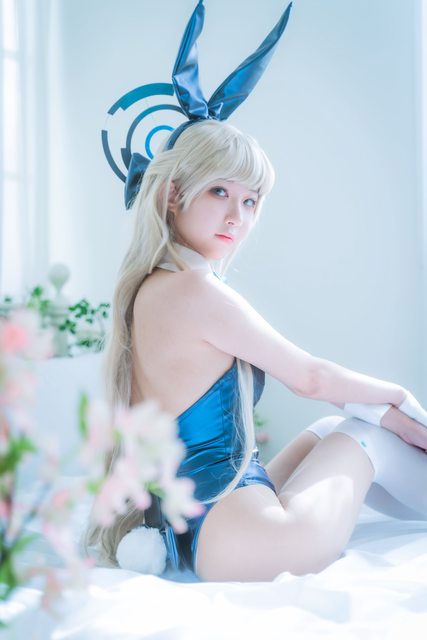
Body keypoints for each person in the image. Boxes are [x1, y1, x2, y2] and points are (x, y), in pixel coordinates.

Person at [87, 2, 427, 581]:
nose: (237, 216)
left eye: (250, 201)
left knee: (332, 431)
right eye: (219, 192)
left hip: (205, 535)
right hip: (253, 542)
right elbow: (311, 378)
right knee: (366, 430)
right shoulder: (196, 291)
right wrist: (398, 399)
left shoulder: (150, 288)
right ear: (173, 195)